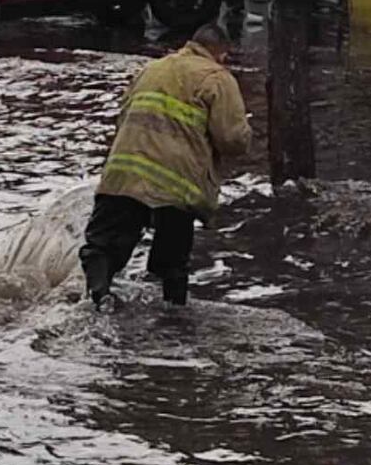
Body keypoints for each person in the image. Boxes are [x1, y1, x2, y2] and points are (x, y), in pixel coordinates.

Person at [80, 23, 252, 308]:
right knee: (172, 264)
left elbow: (122, 116)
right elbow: (232, 140)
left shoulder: (151, 69)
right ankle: (173, 319)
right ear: (220, 52)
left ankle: (99, 298)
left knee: (102, 248)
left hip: (124, 174)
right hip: (176, 184)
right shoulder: (217, 78)